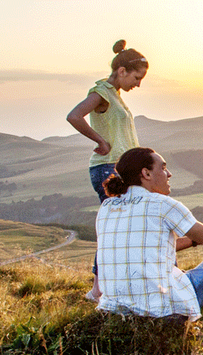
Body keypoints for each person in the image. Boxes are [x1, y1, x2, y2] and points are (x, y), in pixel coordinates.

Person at [95, 147, 203, 353]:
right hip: (160, 309)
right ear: (146, 173)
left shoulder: (107, 208)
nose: (169, 174)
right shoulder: (163, 204)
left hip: (114, 310)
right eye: (163, 168)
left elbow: (148, 250)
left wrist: (193, 240)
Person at [67, 39, 148, 299]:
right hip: (108, 168)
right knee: (114, 228)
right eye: (137, 77)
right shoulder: (101, 92)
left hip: (119, 167)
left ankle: (104, 287)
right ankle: (98, 289)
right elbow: (74, 116)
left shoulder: (115, 95)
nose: (138, 84)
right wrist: (100, 141)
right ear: (122, 71)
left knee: (120, 227)